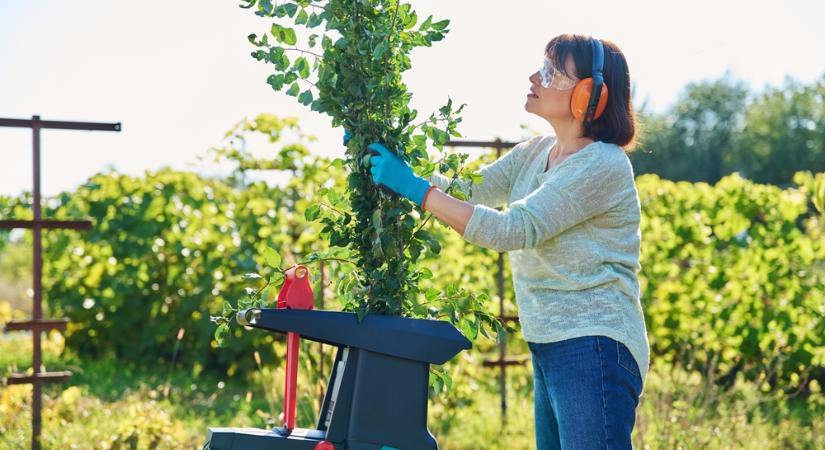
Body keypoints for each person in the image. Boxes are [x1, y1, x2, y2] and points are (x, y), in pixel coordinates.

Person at [355, 33, 649, 450]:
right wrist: (399, 165)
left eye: (551, 72)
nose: (535, 77)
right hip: (550, 341)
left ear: (588, 94)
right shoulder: (537, 152)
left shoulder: (603, 165)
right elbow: (467, 189)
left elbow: (512, 229)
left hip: (594, 344)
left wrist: (416, 190)